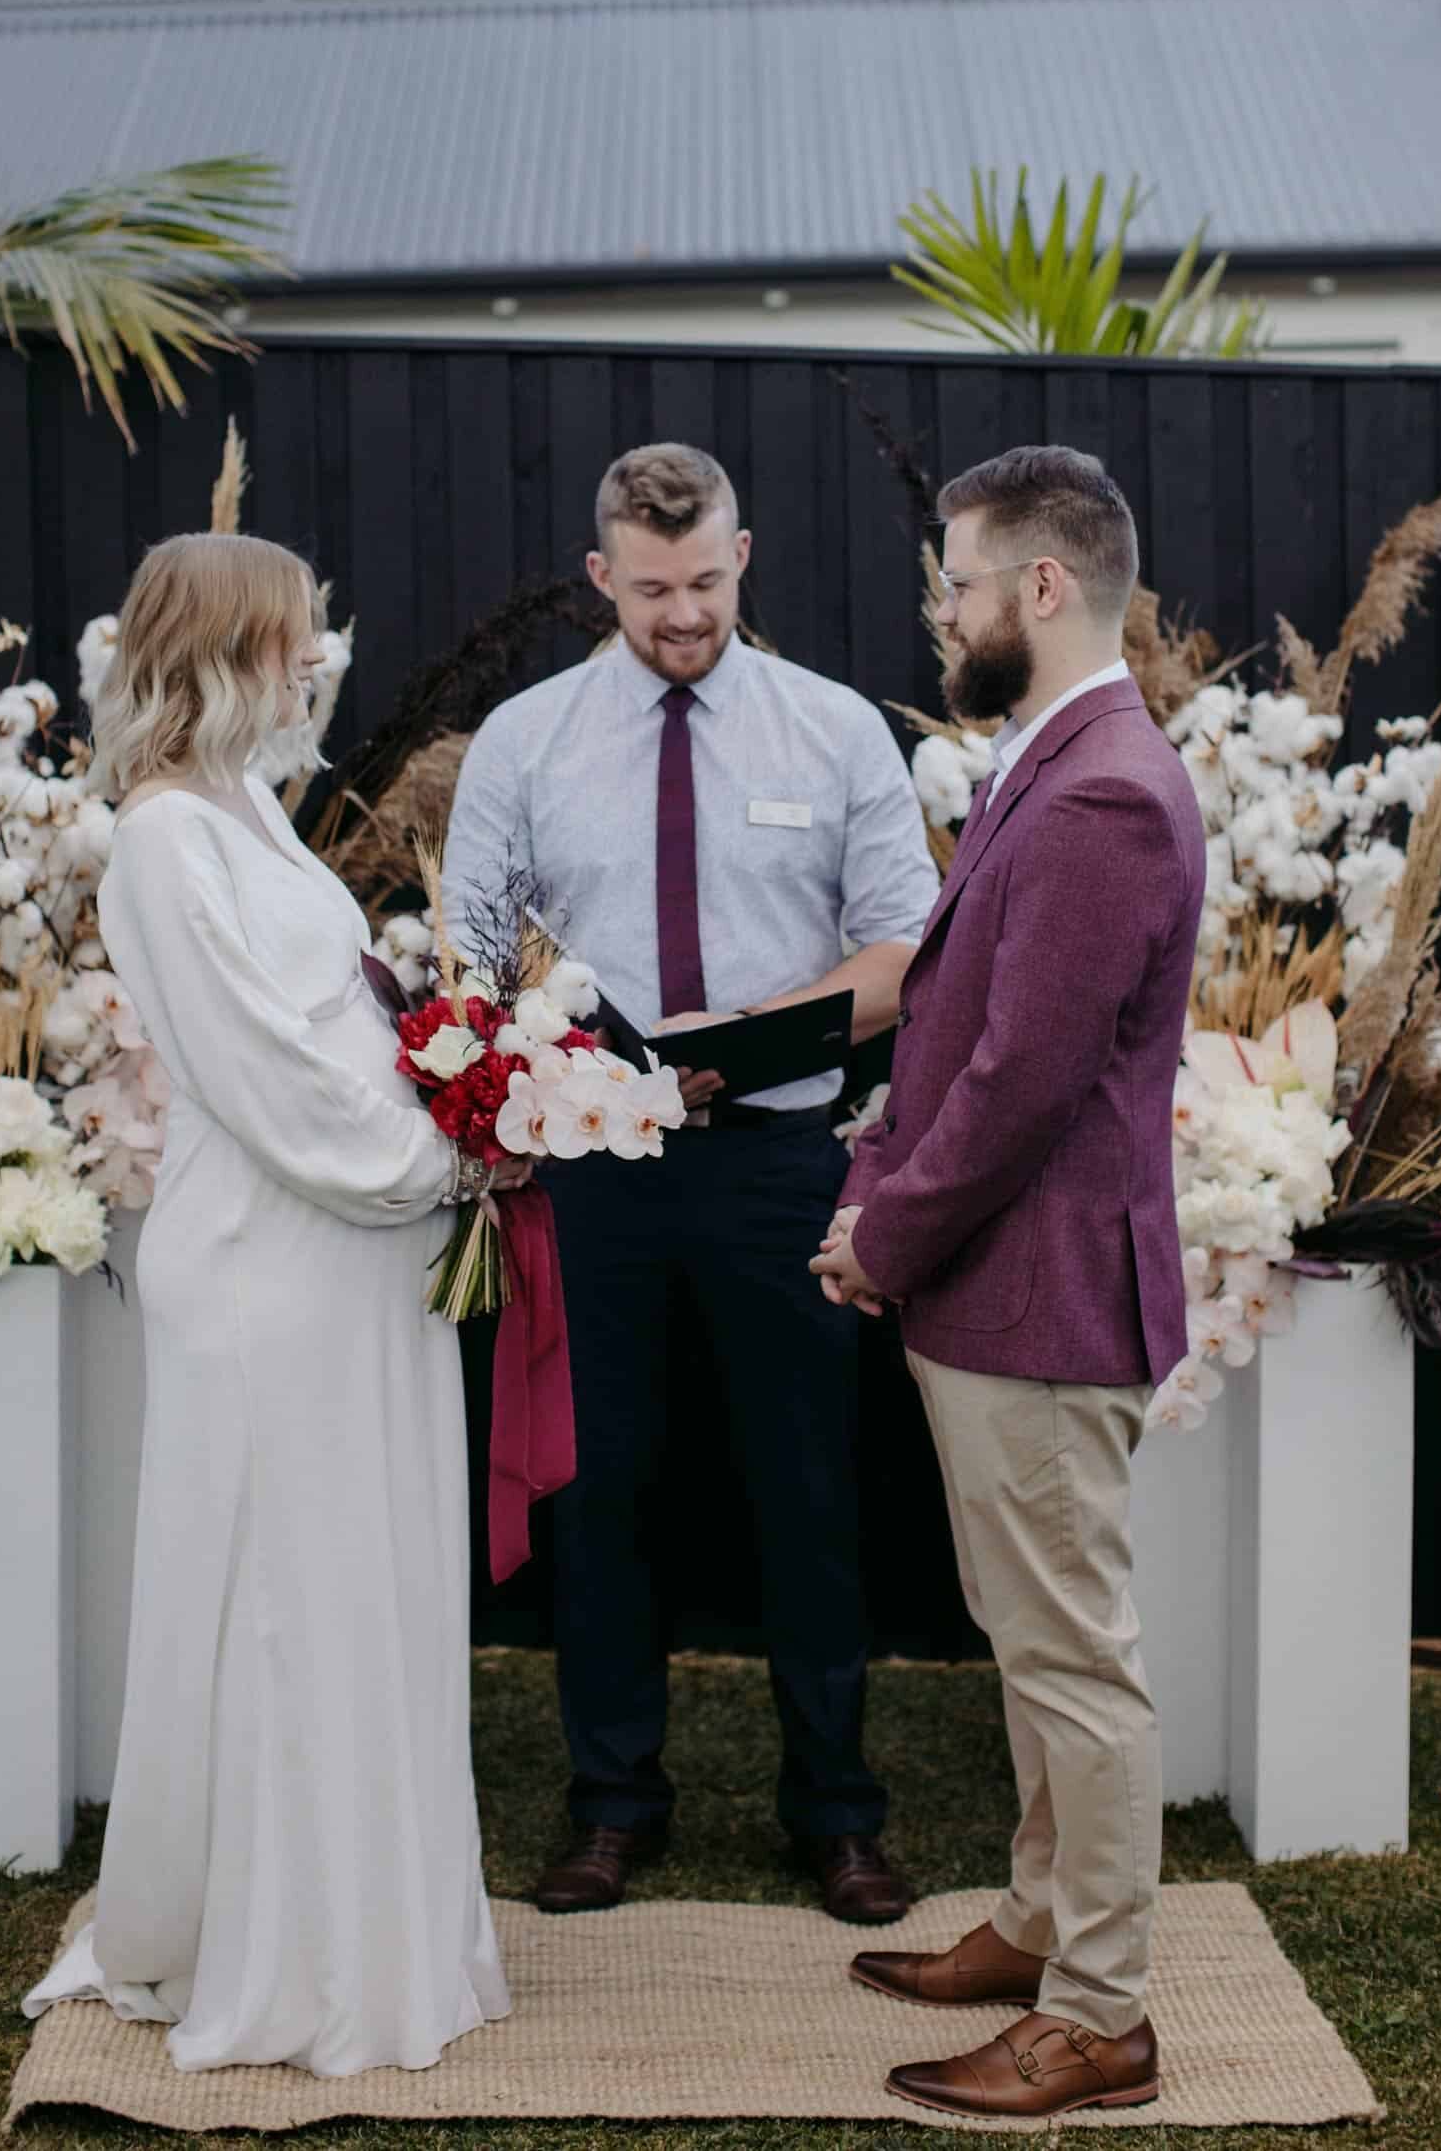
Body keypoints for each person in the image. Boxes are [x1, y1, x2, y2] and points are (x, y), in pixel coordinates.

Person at [22, 532, 518, 2076]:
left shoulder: (247, 810)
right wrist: (439, 1160)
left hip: (348, 1270)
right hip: (275, 1263)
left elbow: (334, 1017)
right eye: (286, 641)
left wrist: (468, 1088)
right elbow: (264, 1072)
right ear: (214, 650)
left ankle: (372, 1914)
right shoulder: (167, 840)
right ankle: (290, 1946)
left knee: (360, 1582)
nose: (312, 664)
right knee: (287, 1598)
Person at [444, 443, 938, 1924]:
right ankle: (610, 1805)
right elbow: (470, 960)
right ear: (602, 577)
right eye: (652, 589)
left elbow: (907, 956)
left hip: (780, 1165)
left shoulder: (836, 730)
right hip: (593, 1176)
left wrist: (745, 1043)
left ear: (746, 553)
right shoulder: (523, 741)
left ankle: (838, 1813)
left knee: (810, 1488)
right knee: (602, 1496)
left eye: (707, 582)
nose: (683, 614)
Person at [812, 446, 1205, 2122]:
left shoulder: (1105, 787)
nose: (941, 613)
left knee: (1072, 1663)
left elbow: (1021, 1085)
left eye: (956, 583)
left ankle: (1100, 2016)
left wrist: (881, 1229)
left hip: (1038, 1299)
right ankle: (1046, 1924)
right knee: (1032, 1637)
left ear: (1041, 588)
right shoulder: (1058, 759)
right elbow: (966, 1027)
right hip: (1007, 1293)